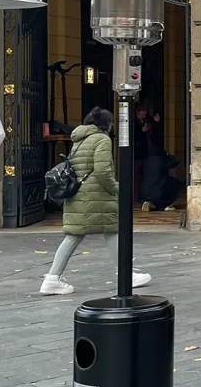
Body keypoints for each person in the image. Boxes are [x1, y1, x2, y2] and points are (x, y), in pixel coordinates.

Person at [40, 107, 153, 295]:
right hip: (95, 195)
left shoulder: (79, 138)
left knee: (81, 235)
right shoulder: (101, 139)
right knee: (109, 231)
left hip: (79, 195)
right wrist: (118, 190)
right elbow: (102, 171)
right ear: (106, 124)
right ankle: (126, 275)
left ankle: (52, 278)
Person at [141, 138, 182, 212]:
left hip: (145, 192)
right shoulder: (162, 159)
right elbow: (176, 161)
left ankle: (147, 202)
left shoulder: (146, 160)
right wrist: (167, 154)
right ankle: (164, 206)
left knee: (157, 185)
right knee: (175, 183)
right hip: (158, 192)